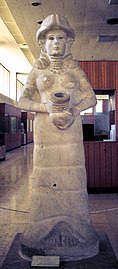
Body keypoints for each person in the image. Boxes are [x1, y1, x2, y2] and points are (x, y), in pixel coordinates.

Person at [18, 14, 99, 261]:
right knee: (45, 174)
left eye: (61, 38)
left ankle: (76, 230)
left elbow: (91, 97)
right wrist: (47, 108)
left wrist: (73, 110)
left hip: (71, 131)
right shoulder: (37, 70)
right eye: (51, 38)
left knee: (72, 175)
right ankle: (43, 230)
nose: (56, 43)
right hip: (45, 132)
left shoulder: (75, 70)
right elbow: (22, 100)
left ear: (68, 43)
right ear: (43, 43)